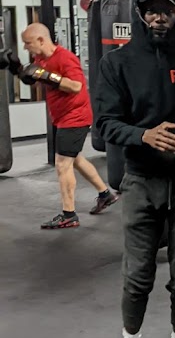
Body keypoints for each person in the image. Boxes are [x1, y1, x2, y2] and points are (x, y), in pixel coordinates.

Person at [93, 0, 175, 338]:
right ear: (138, 13)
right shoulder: (116, 63)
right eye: (150, 9)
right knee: (137, 277)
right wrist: (144, 135)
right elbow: (105, 124)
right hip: (140, 181)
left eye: (166, 8)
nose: (158, 17)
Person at [15, 23, 117, 228]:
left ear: (41, 40)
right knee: (75, 159)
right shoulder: (40, 59)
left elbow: (76, 85)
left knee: (62, 163)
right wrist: (15, 68)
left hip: (75, 117)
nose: (26, 48)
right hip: (62, 117)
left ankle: (69, 214)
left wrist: (47, 76)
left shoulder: (65, 57)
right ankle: (105, 194)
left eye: (28, 43)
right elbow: (34, 77)